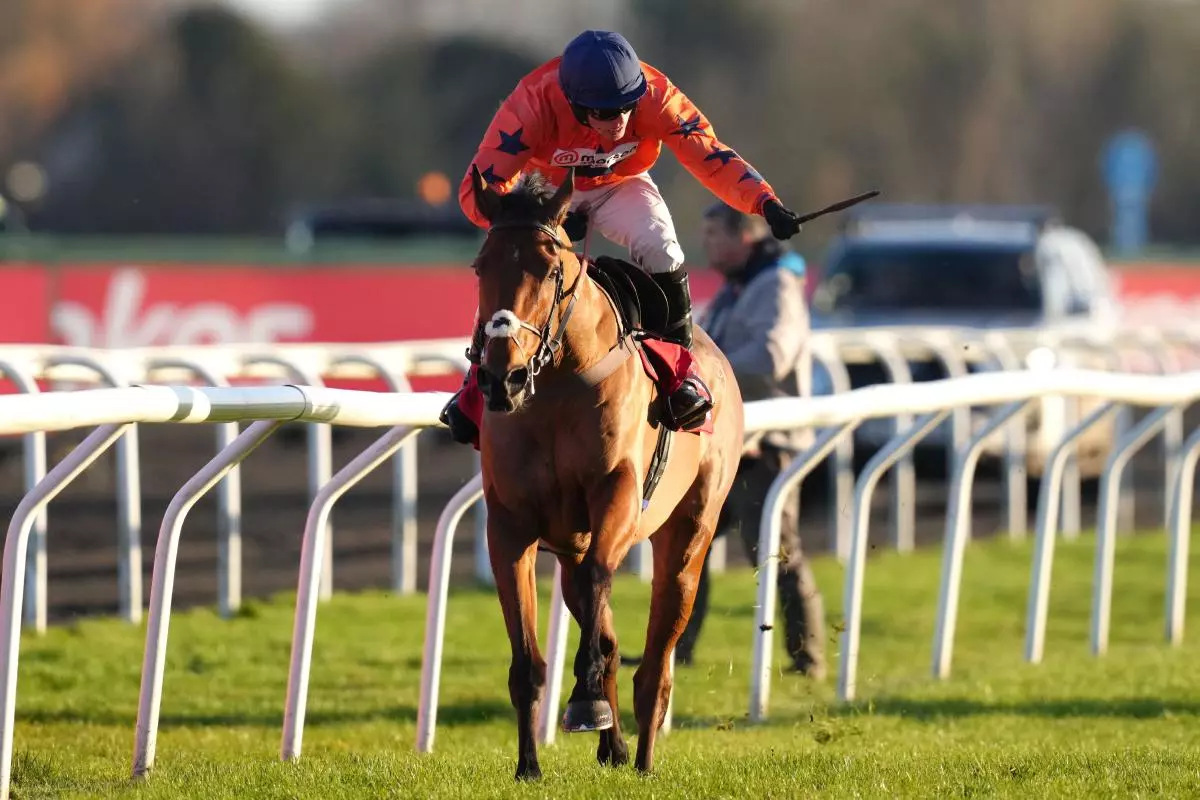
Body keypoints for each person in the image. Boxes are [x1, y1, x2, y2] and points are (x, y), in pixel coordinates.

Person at [438, 29, 807, 444]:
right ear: (575, 106)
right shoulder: (531, 106)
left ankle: (681, 378)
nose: (620, 123)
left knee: (663, 247)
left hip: (621, 182)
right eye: (605, 113)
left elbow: (708, 153)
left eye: (627, 108)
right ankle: (474, 386)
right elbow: (478, 193)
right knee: (513, 262)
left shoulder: (657, 96)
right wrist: (544, 221)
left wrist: (763, 202)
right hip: (547, 192)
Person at [626, 201, 826, 677]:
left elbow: (771, 357)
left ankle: (810, 660)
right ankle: (676, 649)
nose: (708, 243)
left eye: (715, 233)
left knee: (777, 554)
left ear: (747, 235)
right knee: (689, 548)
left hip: (769, 446)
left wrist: (705, 376)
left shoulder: (776, 286)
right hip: (728, 442)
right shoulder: (738, 289)